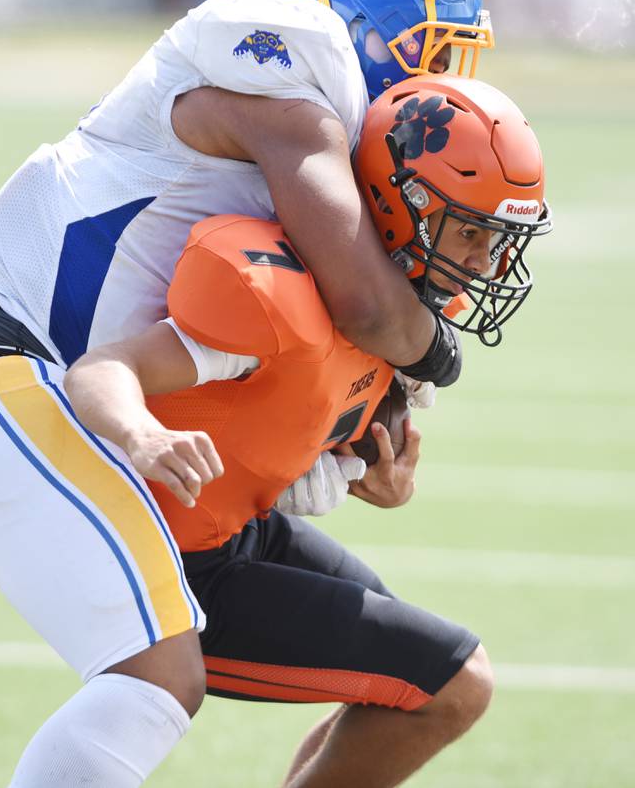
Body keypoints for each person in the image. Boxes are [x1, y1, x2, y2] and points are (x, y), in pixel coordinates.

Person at [0, 0, 492, 785]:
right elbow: (371, 308)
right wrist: (436, 353)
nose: (428, 93)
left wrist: (336, 443)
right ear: (337, 21)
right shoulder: (287, 70)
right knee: (155, 677)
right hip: (6, 380)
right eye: (417, 57)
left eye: (454, 65)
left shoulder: (302, 205)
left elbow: (271, 343)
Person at [64, 75, 553, 788]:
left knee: (398, 678)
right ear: (401, 204)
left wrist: (369, 481)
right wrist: (142, 435)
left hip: (234, 529)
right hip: (165, 562)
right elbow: (103, 369)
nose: (484, 263)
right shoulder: (278, 293)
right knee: (456, 684)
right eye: (471, 230)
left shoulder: (394, 310)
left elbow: (285, 421)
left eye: (498, 238)